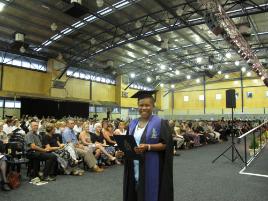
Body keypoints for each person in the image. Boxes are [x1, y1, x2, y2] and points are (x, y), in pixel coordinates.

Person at [123, 90, 173, 201]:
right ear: (137, 106)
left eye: (147, 105)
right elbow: (128, 143)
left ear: (153, 106)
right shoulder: (132, 123)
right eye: (141, 105)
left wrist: (148, 147)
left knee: (149, 192)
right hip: (134, 164)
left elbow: (166, 144)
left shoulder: (160, 122)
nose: (144, 108)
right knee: (134, 190)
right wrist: (122, 151)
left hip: (151, 163)